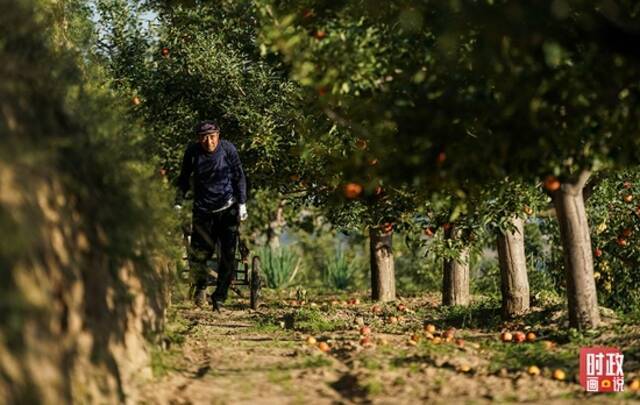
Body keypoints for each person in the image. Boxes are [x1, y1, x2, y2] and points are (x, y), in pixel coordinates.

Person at [174, 120, 248, 311]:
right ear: (198, 139)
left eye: (212, 137)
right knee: (199, 254)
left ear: (218, 136)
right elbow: (184, 177)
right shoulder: (192, 152)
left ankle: (220, 297)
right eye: (204, 138)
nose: (208, 141)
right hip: (203, 211)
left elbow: (239, 175)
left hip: (228, 208)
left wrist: (242, 203)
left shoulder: (228, 150)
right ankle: (200, 286)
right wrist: (178, 201)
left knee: (228, 256)